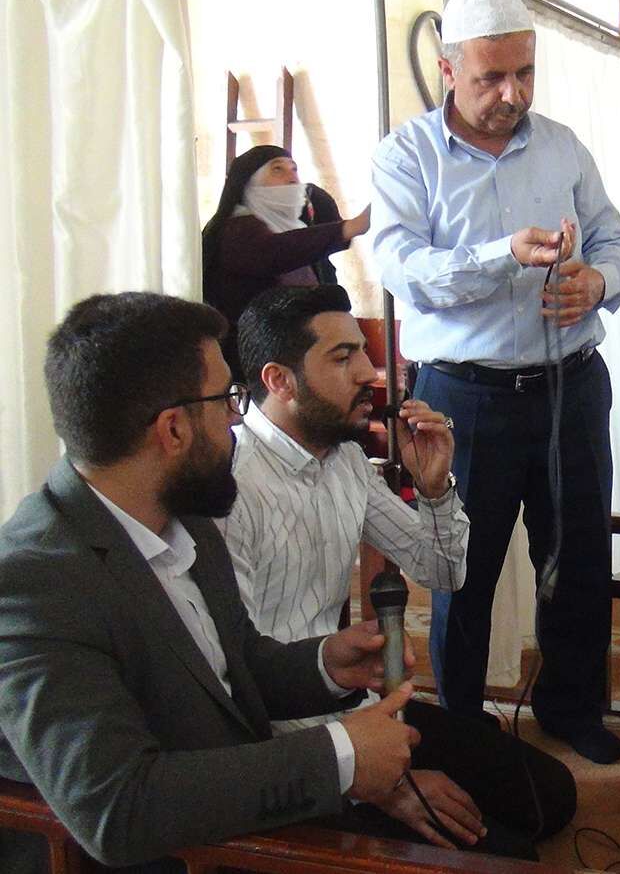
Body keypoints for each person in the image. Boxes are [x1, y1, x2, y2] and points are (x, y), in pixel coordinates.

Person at [0, 292, 420, 874]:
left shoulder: (185, 516)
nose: (237, 418)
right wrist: (340, 756)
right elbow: (118, 808)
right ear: (173, 429)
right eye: (227, 399)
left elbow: (232, 664)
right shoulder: (35, 584)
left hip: (236, 817)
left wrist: (325, 663)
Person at [370, 0, 620, 765]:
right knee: (463, 566)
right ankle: (461, 725)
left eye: (524, 73)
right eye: (491, 78)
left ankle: (571, 708)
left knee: (579, 555)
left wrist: (598, 283)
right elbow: (402, 269)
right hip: (462, 397)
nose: (512, 94)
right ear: (449, 69)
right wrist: (500, 256)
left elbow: (614, 242)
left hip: (570, 386)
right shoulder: (406, 156)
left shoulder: (562, 147)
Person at [223, 284, 577, 860]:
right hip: (287, 747)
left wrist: (435, 488)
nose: (370, 372)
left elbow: (443, 572)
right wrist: (382, 783)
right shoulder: (231, 488)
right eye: (343, 357)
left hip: (354, 707)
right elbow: (236, 683)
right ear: (280, 380)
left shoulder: (343, 459)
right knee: (508, 857)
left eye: (362, 352)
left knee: (551, 798)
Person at [202, 144, 371, 375]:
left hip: (296, 349)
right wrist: (349, 227)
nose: (291, 177)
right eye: (277, 169)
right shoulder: (235, 228)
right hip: (253, 357)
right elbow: (274, 252)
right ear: (249, 183)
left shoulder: (295, 225)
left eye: (294, 169)